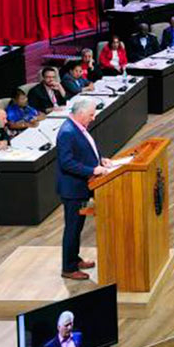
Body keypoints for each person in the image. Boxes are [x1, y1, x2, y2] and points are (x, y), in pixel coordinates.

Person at [56, 99, 112, 280]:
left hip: (82, 186)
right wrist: (92, 170)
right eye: (91, 115)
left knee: (78, 227)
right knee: (72, 228)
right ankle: (68, 268)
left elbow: (86, 150)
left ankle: (74, 258)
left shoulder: (78, 128)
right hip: (73, 189)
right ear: (80, 114)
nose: (93, 118)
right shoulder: (67, 132)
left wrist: (100, 160)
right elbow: (66, 163)